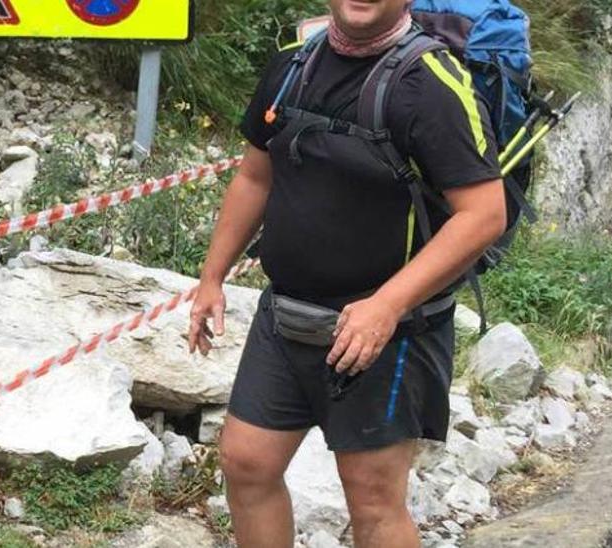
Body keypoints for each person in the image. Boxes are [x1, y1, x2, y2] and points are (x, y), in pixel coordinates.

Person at [186, 1, 508, 547]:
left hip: (389, 333)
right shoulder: (291, 67)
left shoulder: (431, 84)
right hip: (287, 315)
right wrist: (212, 278)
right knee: (246, 462)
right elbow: (254, 178)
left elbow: (485, 215)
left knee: (374, 499)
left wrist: (387, 305)